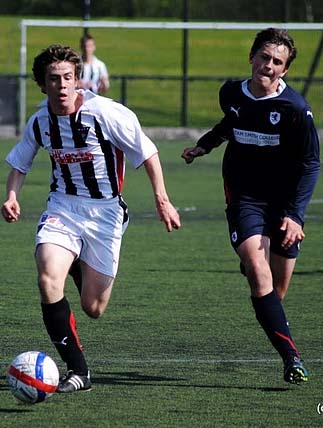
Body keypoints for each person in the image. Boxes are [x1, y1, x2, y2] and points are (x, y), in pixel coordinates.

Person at [1, 44, 181, 393]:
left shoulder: (107, 114)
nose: (63, 85)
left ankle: (77, 263)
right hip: (63, 208)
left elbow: (147, 152)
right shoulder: (40, 121)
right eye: (54, 79)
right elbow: (19, 163)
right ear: (42, 84)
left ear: (77, 79)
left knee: (94, 307)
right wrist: (11, 196)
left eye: (68, 77)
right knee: (47, 278)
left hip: (105, 214)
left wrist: (162, 199)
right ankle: (78, 370)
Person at [182, 28, 320, 384]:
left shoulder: (295, 109)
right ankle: (292, 358)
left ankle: (265, 291)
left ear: (285, 70)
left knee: (276, 288)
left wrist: (295, 215)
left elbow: (310, 164)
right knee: (258, 271)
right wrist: (205, 145)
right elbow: (233, 122)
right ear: (251, 57)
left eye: (277, 62)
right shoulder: (230, 92)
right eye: (264, 57)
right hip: (244, 198)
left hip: (284, 203)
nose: (269, 66)